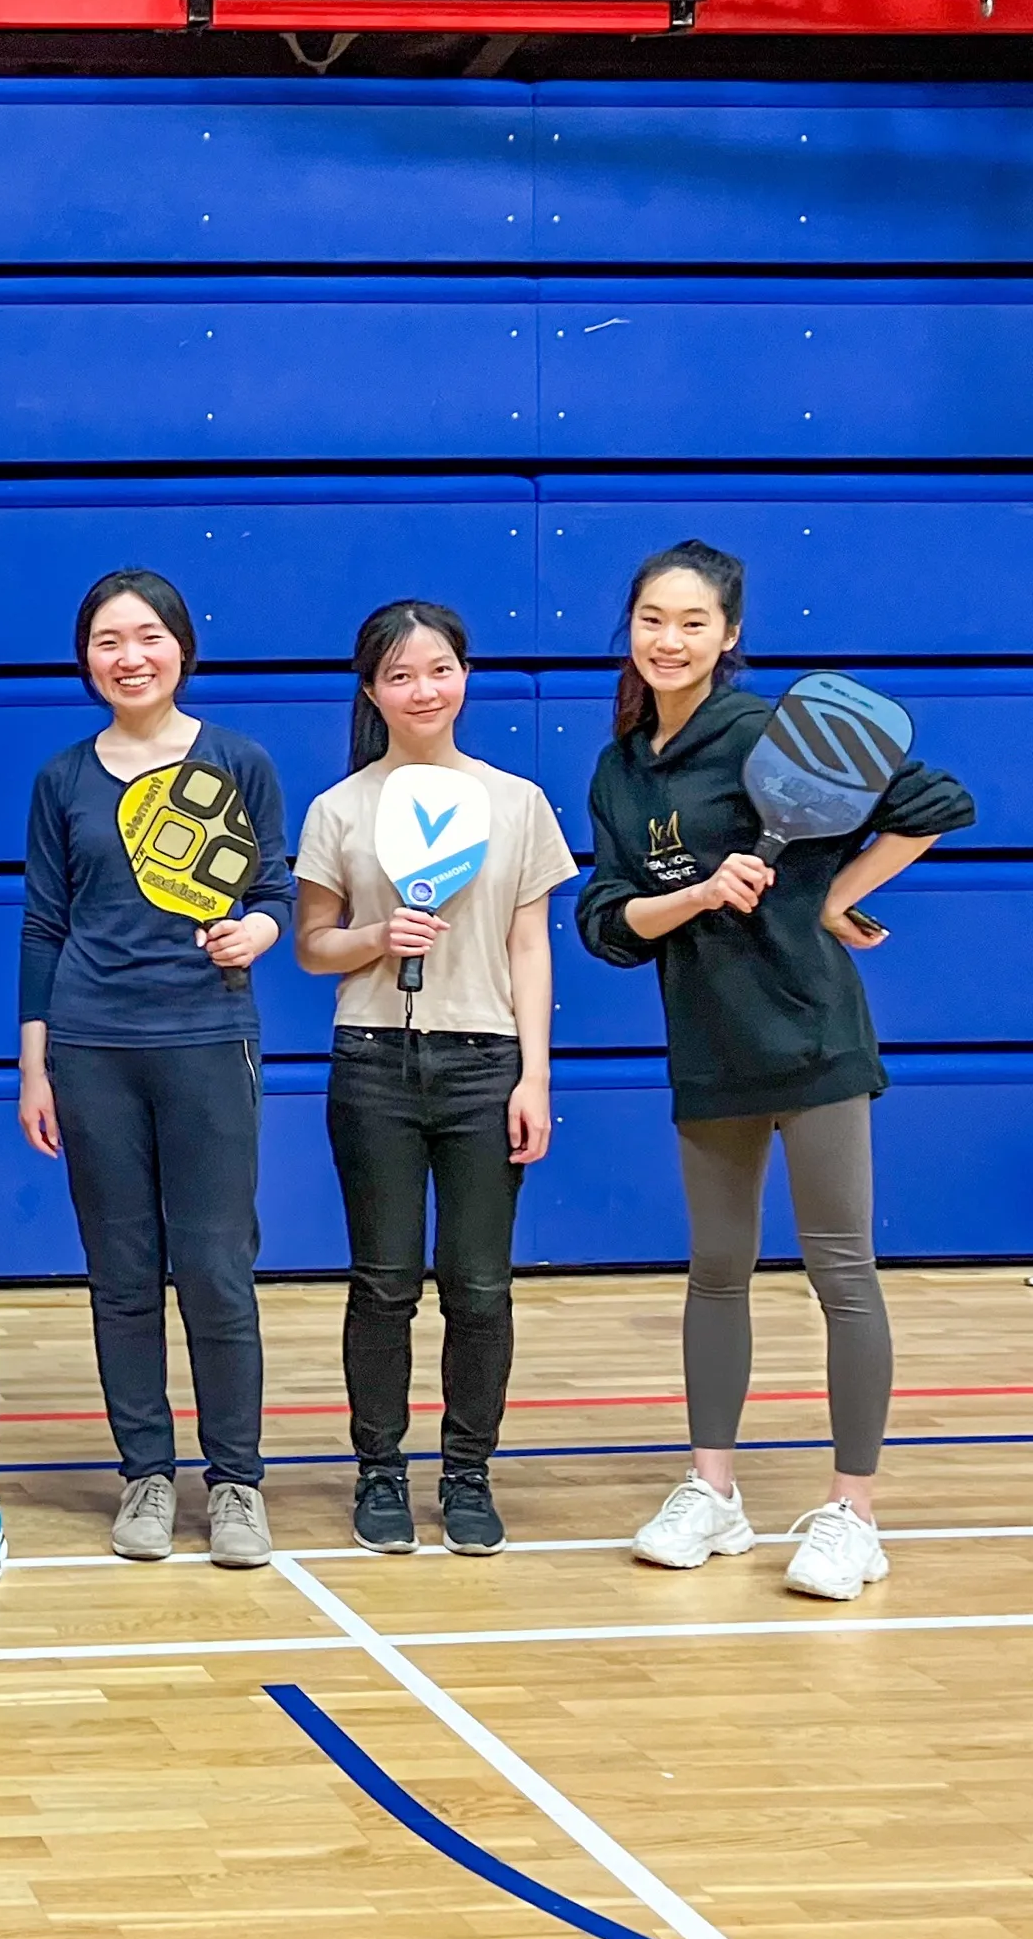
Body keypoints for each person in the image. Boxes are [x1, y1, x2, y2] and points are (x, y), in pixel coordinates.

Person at [576, 540, 972, 1601]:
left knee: (840, 1272)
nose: (669, 640)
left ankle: (853, 1515)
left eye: (692, 622)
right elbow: (610, 924)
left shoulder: (765, 732)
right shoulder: (620, 769)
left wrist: (836, 894)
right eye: (653, 619)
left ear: (729, 634)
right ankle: (714, 1493)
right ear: (633, 627)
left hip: (811, 1036)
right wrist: (701, 893)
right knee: (714, 1272)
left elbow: (934, 803)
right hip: (706, 1041)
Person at [16, 569, 293, 1572]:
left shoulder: (238, 761)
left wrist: (254, 932)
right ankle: (144, 1472)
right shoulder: (62, 779)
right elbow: (43, 924)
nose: (127, 656)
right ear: (85, 658)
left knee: (216, 1271)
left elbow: (274, 889)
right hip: (92, 1046)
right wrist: (35, 1066)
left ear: (181, 646)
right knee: (122, 1276)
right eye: (106, 641)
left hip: (207, 1040)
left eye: (146, 637)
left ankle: (234, 1485)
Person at [293, 601, 574, 1556]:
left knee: (480, 1286)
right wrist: (375, 937)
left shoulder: (516, 801)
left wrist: (534, 1075)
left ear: (465, 676)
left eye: (441, 668)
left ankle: (466, 1473)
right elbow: (312, 947)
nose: (425, 689)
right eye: (402, 675)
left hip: (484, 1061)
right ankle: (379, 1471)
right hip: (373, 1059)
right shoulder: (340, 807)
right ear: (372, 690)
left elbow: (531, 946)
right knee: (381, 1283)